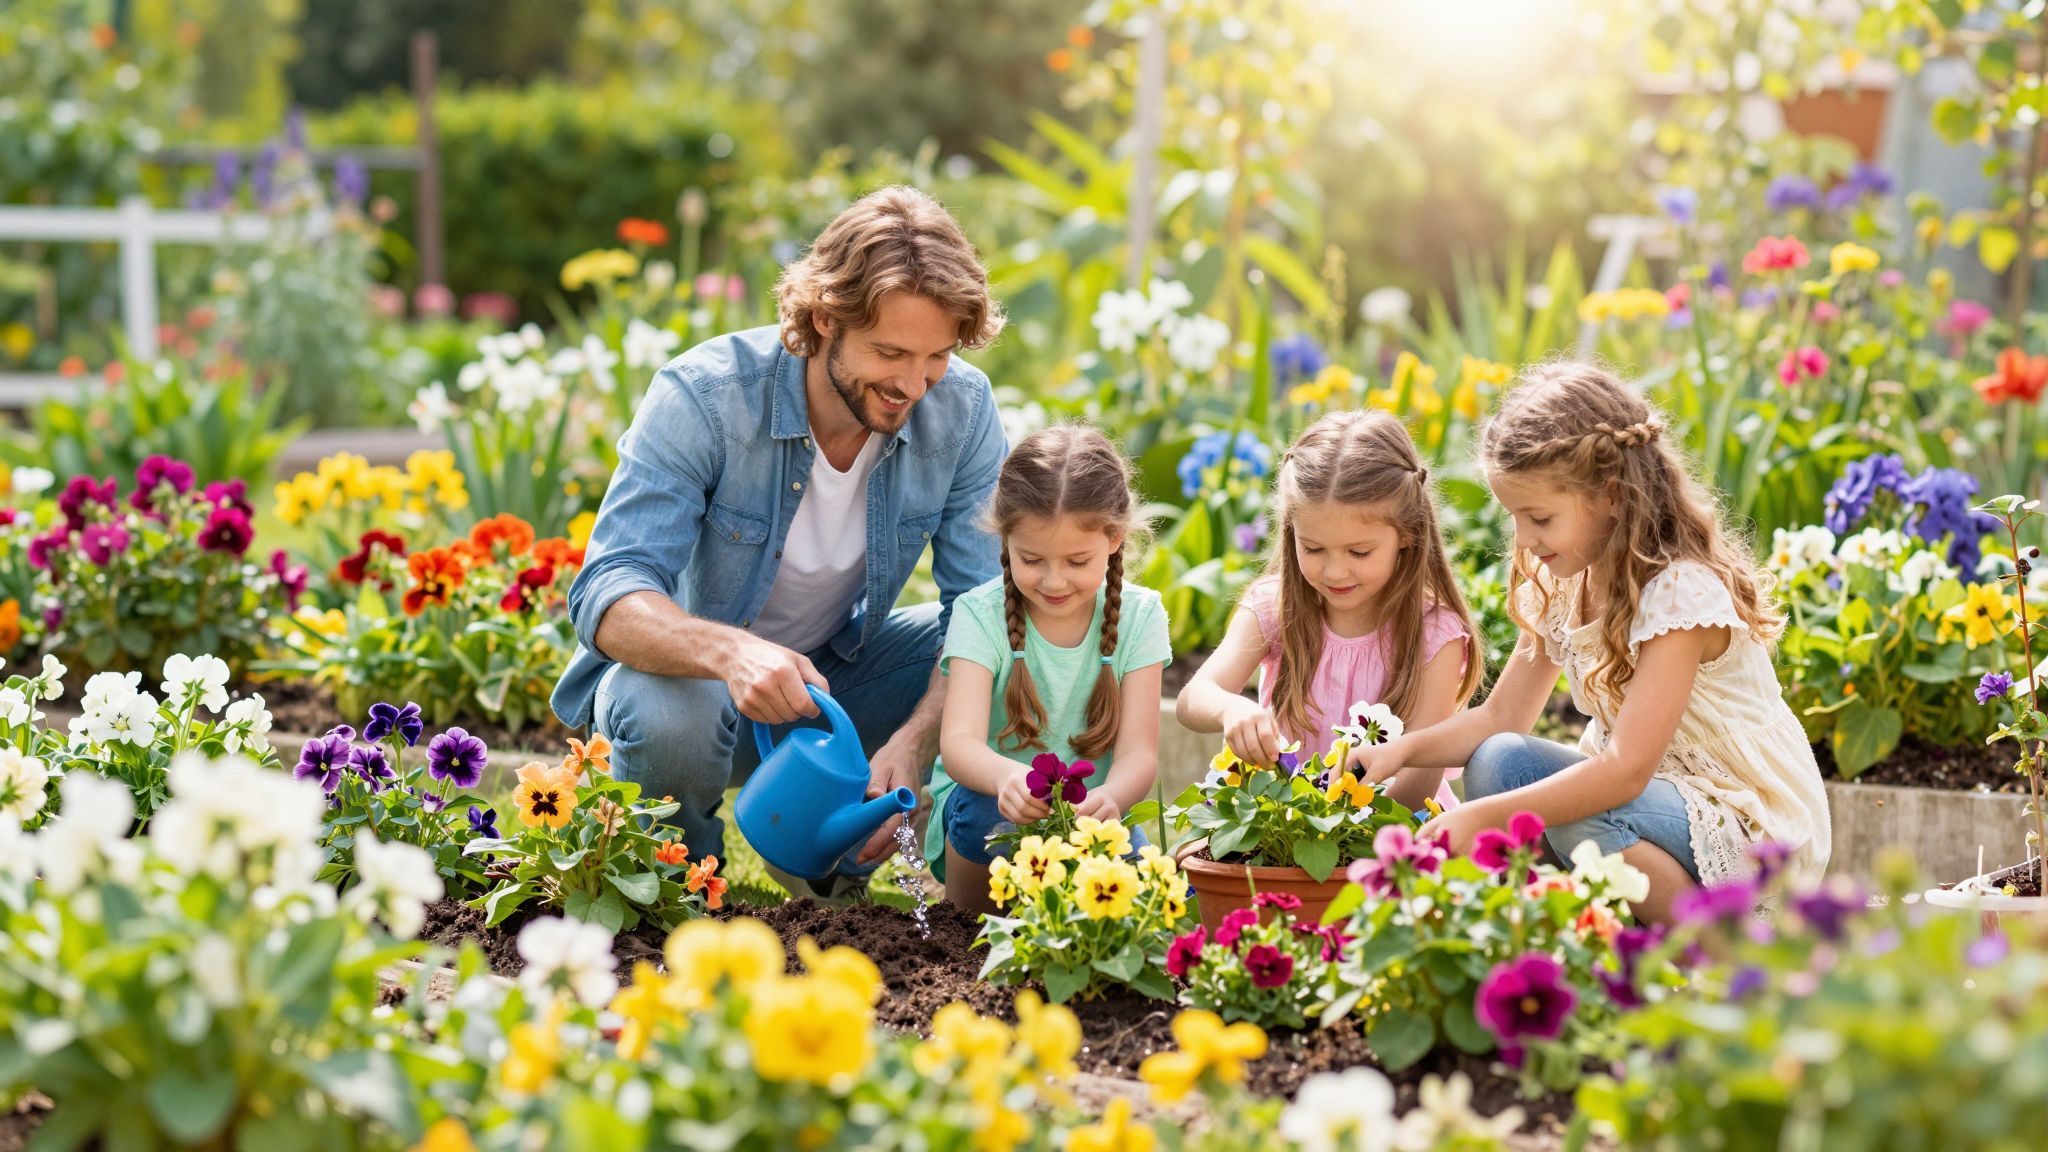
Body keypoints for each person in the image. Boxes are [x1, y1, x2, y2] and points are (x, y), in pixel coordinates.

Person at [551, 186, 1007, 900]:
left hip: (827, 684)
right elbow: (607, 593)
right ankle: (682, 896)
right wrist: (734, 654)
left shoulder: (963, 410)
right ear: (825, 318)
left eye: (937, 357)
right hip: (687, 688)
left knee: (1007, 646)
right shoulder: (705, 396)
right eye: (890, 352)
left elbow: (977, 610)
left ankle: (820, 865)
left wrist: (914, 744)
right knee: (674, 715)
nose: (914, 385)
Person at [1354, 362, 1831, 921]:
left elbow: (1625, 770)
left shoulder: (1678, 593)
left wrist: (1484, 818)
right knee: (1497, 761)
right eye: (1516, 520)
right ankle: (1587, 928)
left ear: (1608, 494)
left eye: (1539, 518)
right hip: (1652, 802)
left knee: (1580, 813)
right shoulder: (1569, 585)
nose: (1527, 541)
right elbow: (1501, 717)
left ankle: (1721, 941)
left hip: (1747, 821)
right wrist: (1401, 750)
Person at [1176, 410, 1480, 813]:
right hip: (1284, 819)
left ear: (1407, 533)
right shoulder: (1274, 606)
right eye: (1313, 548)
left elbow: (1417, 784)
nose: (1335, 571)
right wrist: (1232, 708)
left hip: (1392, 825)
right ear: (1291, 531)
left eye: (1360, 551)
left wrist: (1332, 825)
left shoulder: (1435, 634)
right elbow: (1192, 699)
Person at [929, 424, 1172, 915]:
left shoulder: (1140, 618)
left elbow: (1138, 755)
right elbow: (958, 745)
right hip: (995, 808)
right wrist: (1005, 781)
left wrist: (1110, 798)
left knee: (1166, 897)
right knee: (985, 818)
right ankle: (964, 930)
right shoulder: (982, 613)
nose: (1054, 580)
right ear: (1006, 539)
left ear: (1115, 538)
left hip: (1089, 815)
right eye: (1032, 559)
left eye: (1078, 561)